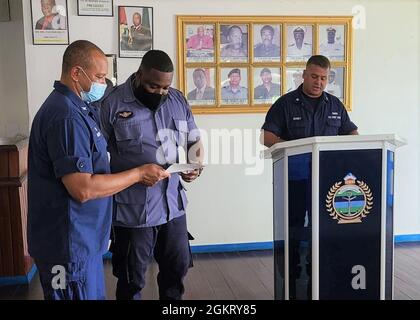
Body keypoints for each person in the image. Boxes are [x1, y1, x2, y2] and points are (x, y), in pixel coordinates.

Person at [27, 40, 169, 300]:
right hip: (68, 247)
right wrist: (138, 174)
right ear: (76, 73)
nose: (104, 84)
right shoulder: (66, 117)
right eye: (99, 77)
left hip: (84, 242)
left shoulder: (79, 109)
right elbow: (83, 188)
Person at [100, 50, 204, 300]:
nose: (159, 92)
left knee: (175, 274)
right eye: (153, 85)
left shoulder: (177, 100)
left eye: (165, 87)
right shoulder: (111, 104)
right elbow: (96, 157)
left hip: (173, 207)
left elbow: (193, 139)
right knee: (131, 280)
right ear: (139, 75)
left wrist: (195, 164)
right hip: (133, 212)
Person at [261, 55, 358, 299]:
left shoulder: (335, 105)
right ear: (303, 75)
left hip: (327, 183)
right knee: (293, 230)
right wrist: (292, 147)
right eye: (314, 76)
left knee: (323, 229)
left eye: (324, 78)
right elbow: (267, 137)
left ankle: (320, 275)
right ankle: (291, 281)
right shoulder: (285, 104)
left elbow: (352, 133)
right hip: (294, 179)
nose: (318, 82)